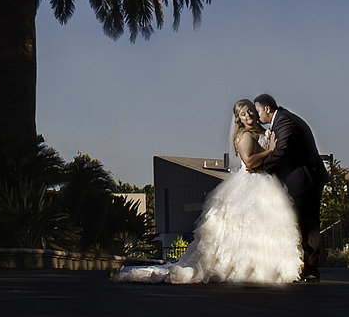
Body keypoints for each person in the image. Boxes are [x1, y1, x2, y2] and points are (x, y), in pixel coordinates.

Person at [112, 100, 302, 284]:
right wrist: (269, 151)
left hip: (265, 181)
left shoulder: (262, 131)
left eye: (250, 111)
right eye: (243, 114)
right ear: (239, 119)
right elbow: (250, 161)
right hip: (250, 183)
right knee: (243, 227)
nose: (248, 115)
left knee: (267, 227)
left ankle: (266, 267)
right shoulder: (244, 136)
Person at [248, 93, 325, 281]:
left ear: (267, 109)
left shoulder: (285, 122)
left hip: (305, 180)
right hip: (297, 179)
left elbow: (281, 150)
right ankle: (301, 266)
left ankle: (311, 269)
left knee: (308, 224)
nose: (257, 116)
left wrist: (261, 168)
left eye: (258, 111)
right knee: (299, 223)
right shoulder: (281, 121)